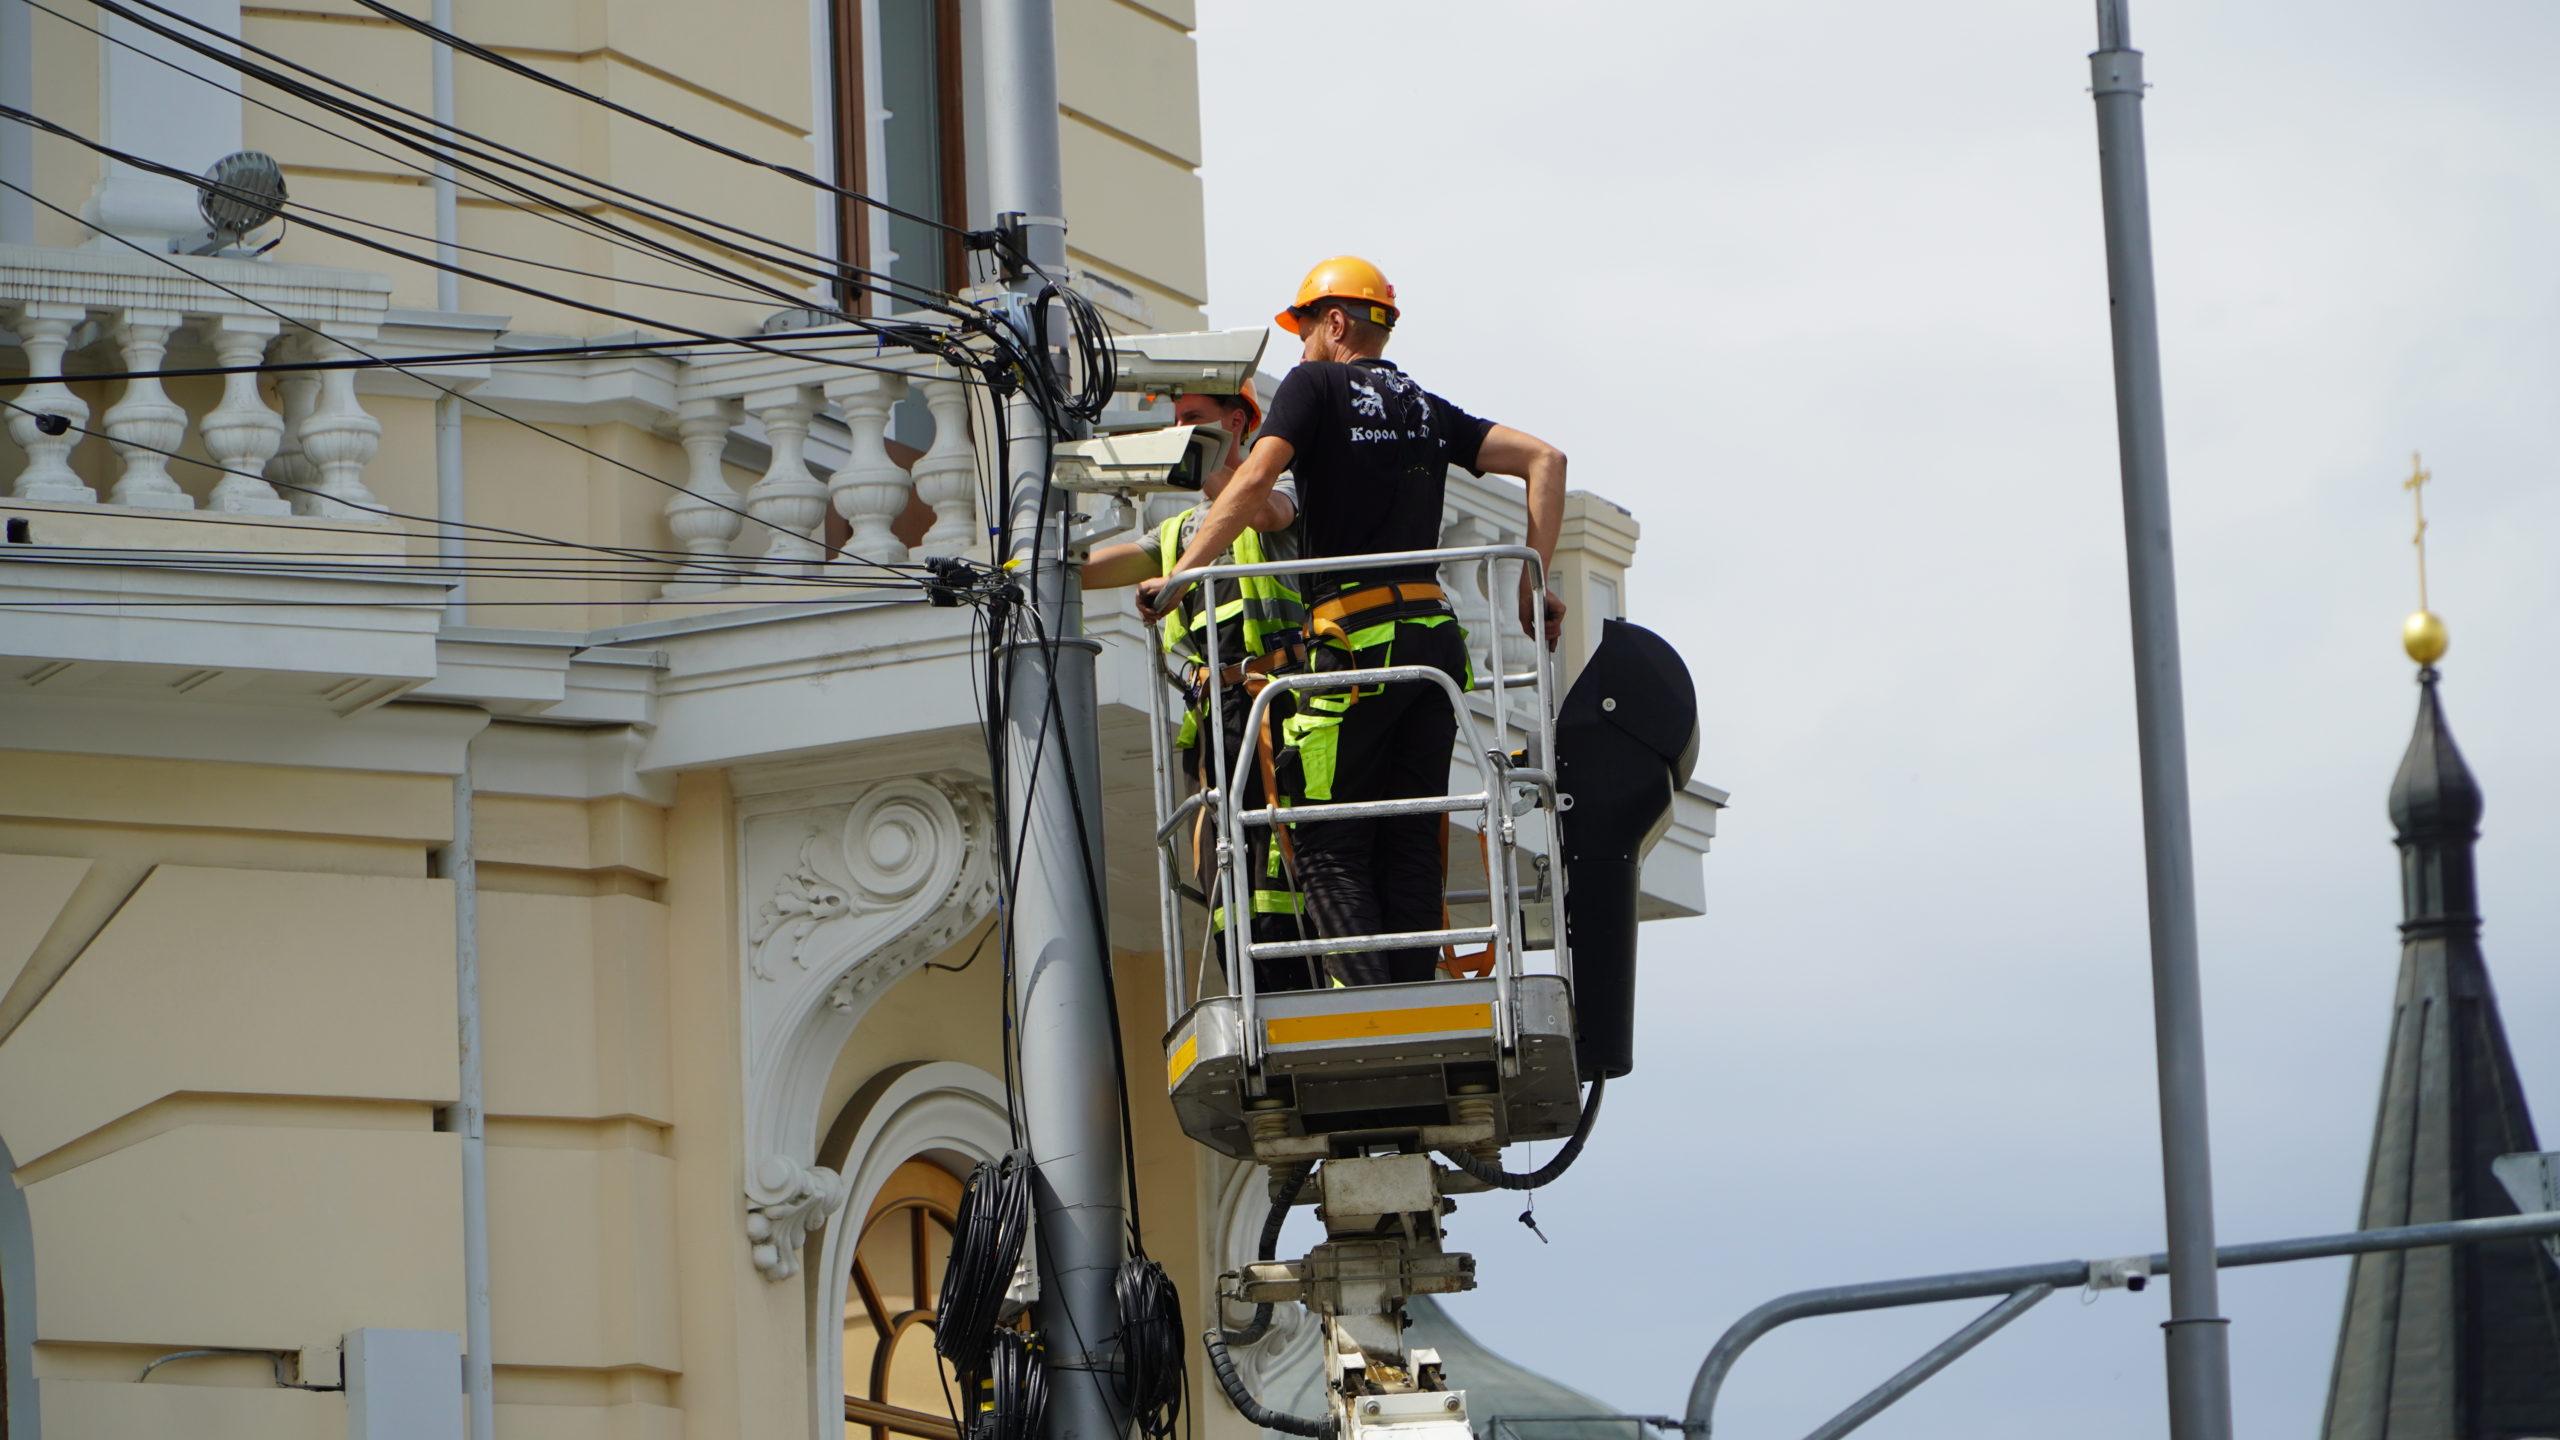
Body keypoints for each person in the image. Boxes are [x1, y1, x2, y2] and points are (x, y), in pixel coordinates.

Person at [1139, 256, 1567, 987]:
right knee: (1406, 835)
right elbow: (1545, 459)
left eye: (1305, 330)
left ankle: (1369, 1003)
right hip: (1434, 653)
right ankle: (1411, 996)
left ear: (1334, 324)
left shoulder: (1316, 385)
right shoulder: (1424, 406)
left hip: (1355, 655)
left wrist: (1183, 575)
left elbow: (1254, 479)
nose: (1301, 347)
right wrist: (1533, 587)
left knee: (1325, 840)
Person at [1084, 386, 1319, 989]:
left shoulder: (1286, 485)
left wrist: (1213, 473)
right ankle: (1248, 981)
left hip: (1286, 708)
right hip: (1220, 718)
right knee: (1228, 858)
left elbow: (1263, 513)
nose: (1180, 430)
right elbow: (1109, 566)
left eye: (1194, 421)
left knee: (1288, 851)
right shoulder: (1182, 527)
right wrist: (1037, 567)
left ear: (1236, 424)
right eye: (1177, 421)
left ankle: (1300, 978)